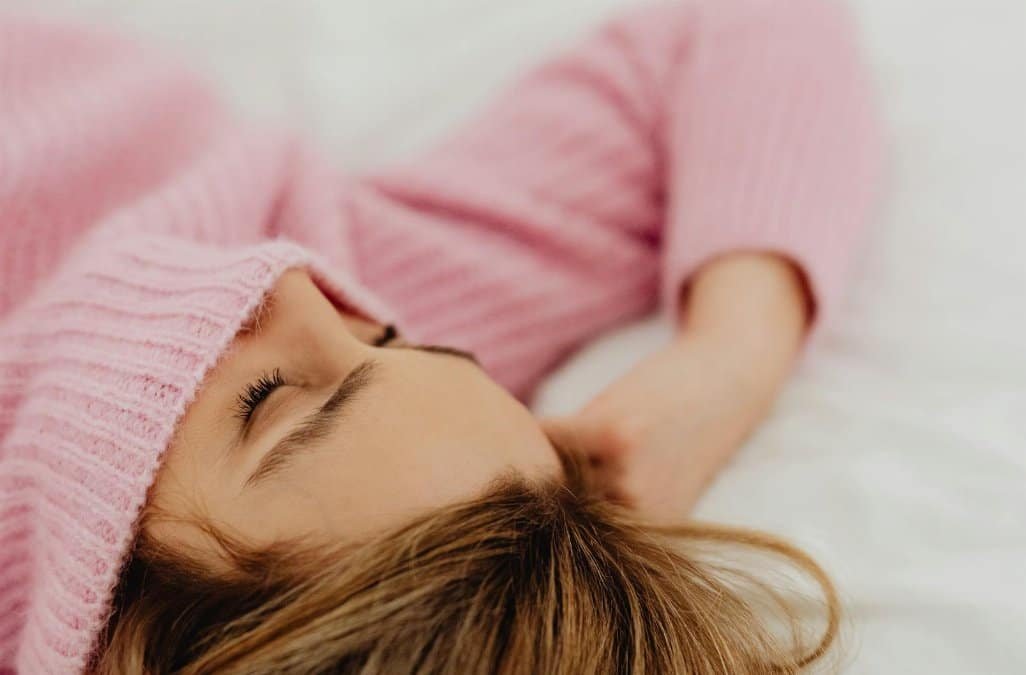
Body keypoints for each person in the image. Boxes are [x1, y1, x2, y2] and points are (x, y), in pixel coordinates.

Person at [0, 0, 881, 672]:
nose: (297, 283)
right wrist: (730, 357)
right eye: (395, 339)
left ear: (124, 632)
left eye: (263, 400)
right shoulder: (377, 273)